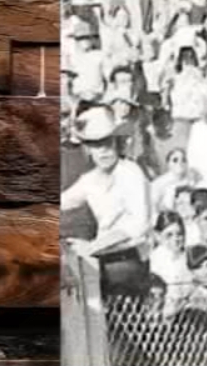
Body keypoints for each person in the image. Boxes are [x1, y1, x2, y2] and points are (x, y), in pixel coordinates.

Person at [60, 106, 153, 296]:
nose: (103, 151)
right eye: (95, 144)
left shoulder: (130, 172)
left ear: (116, 142)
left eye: (107, 142)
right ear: (87, 149)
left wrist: (93, 246)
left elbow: (138, 225)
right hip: (102, 263)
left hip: (129, 261)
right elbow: (63, 202)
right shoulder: (91, 179)